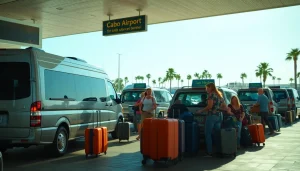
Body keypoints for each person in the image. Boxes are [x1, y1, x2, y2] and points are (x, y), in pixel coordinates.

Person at [195, 83, 228, 157]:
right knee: (217, 134)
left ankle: (209, 152)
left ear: (210, 88)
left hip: (212, 116)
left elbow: (209, 106)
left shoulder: (211, 95)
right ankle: (219, 150)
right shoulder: (219, 95)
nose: (206, 89)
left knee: (208, 134)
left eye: (207, 88)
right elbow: (225, 106)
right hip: (219, 116)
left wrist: (201, 110)